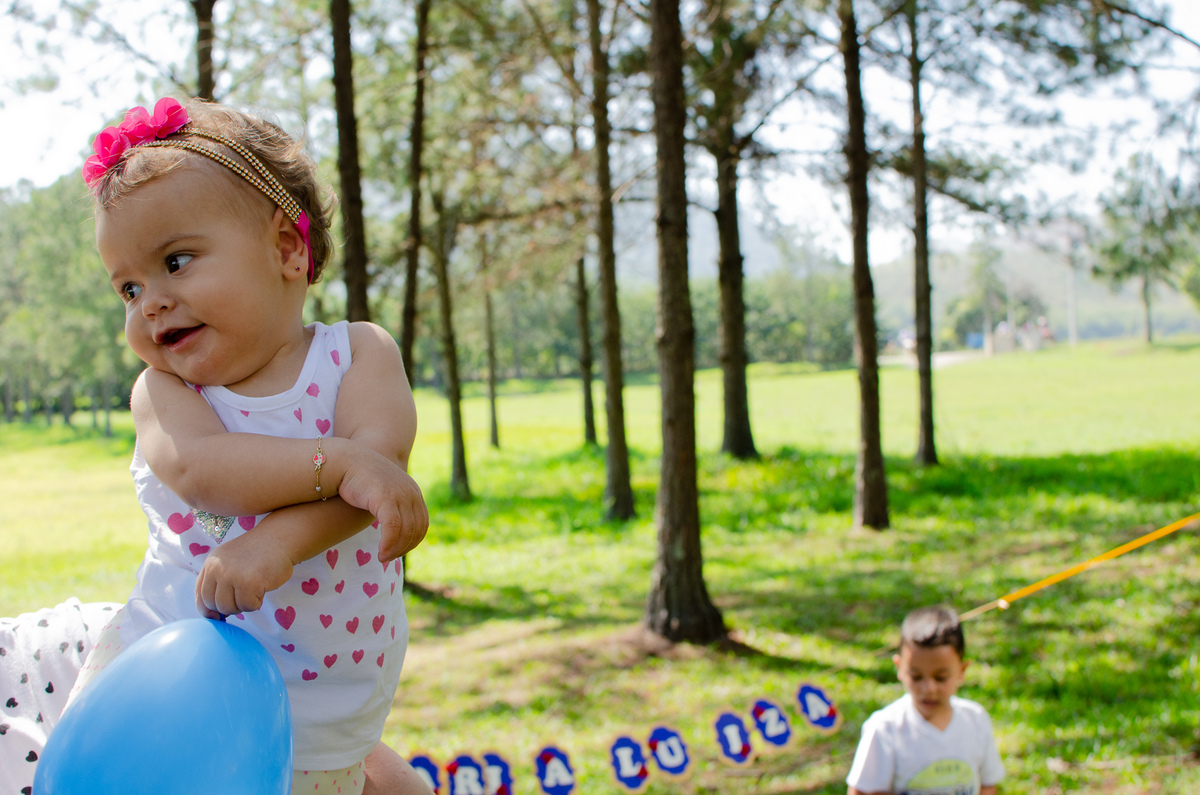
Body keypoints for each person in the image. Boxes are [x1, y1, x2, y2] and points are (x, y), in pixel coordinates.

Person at [0, 96, 432, 795]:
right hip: (175, 691)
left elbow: (375, 481)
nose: (151, 302)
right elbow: (205, 472)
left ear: (287, 248)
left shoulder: (360, 355)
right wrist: (341, 464)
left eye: (176, 260)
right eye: (129, 287)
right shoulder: (166, 392)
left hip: (329, 699)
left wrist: (280, 539)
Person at [846, 606, 1005, 795]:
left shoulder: (976, 720)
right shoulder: (884, 729)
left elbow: (988, 786)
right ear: (899, 667)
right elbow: (862, 791)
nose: (928, 689)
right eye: (916, 676)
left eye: (941, 678)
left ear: (962, 670)